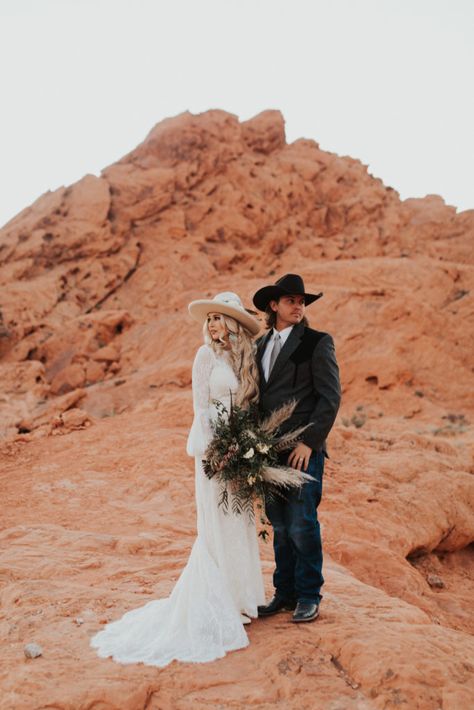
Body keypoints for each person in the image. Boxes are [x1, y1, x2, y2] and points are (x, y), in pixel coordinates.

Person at [90, 292, 265, 667]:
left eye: (220, 318)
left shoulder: (243, 358)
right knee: (217, 520)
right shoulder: (204, 357)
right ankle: (217, 601)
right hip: (214, 451)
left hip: (241, 448)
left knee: (239, 520)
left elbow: (249, 406)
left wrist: (245, 443)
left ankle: (240, 599)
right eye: (211, 319)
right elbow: (201, 406)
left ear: (233, 323)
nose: (214, 325)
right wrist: (219, 448)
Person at [252, 274, 341, 623]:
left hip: (303, 451)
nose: (298, 306)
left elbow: (330, 397)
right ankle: (284, 593)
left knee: (303, 524)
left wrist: (310, 441)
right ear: (274, 305)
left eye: (302, 301)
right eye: (291, 300)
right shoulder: (259, 345)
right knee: (280, 525)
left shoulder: (316, 342)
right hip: (268, 452)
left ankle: (308, 595)